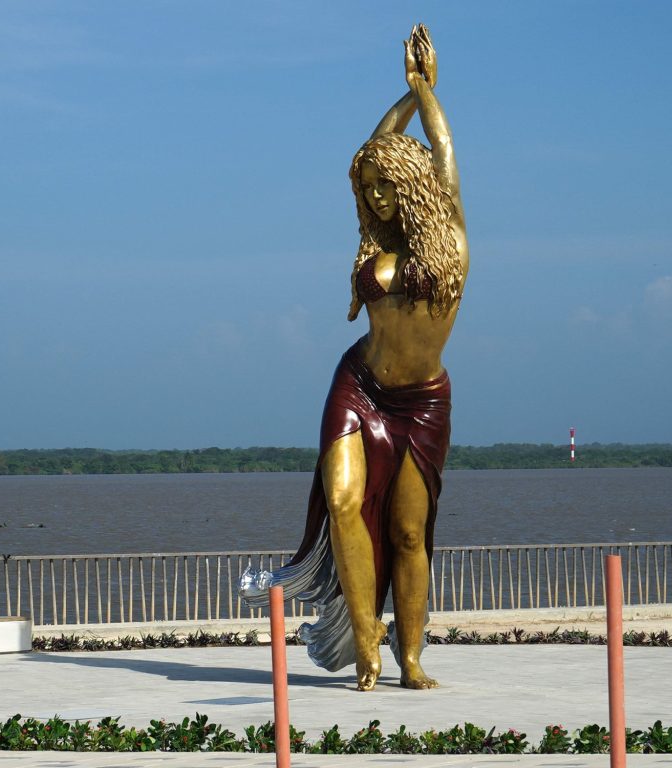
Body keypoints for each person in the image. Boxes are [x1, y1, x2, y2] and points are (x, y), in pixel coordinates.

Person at [242, 25, 468, 691]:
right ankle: (367, 648)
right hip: (359, 385)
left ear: (413, 184)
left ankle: (413, 657)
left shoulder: (448, 240)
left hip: (421, 404)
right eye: (367, 186)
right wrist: (392, 115)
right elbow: (370, 151)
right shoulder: (376, 244)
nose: (374, 197)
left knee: (406, 534)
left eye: (384, 185)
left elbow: (444, 155)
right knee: (343, 503)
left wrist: (423, 90)